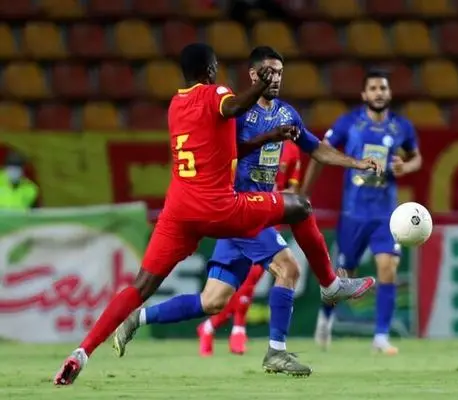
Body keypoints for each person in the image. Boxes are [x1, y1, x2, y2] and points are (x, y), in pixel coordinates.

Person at [53, 44, 380, 385]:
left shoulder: (177, 105)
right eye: (268, 73)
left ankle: (85, 350)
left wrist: (347, 160)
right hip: (230, 209)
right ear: (215, 71)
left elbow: (234, 147)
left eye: (279, 73)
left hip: (181, 210)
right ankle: (319, 299)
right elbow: (233, 107)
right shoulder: (221, 96)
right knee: (295, 235)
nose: (275, 78)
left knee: (199, 298)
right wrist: (256, 95)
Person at [301, 69, 423, 355]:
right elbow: (321, 152)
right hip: (353, 214)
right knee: (344, 275)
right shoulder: (349, 123)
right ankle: (326, 317)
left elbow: (416, 157)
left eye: (383, 88)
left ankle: (381, 337)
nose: (379, 93)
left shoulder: (401, 127)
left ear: (389, 93)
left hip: (386, 215)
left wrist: (406, 166)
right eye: (374, 88)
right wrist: (305, 192)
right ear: (364, 94)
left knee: (388, 268)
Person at [196, 139, 301, 357]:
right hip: (243, 218)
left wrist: (280, 200)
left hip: (270, 223)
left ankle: (210, 327)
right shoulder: (248, 140)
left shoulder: (291, 149)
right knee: (242, 283)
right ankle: (237, 329)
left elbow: (293, 188)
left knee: (249, 282)